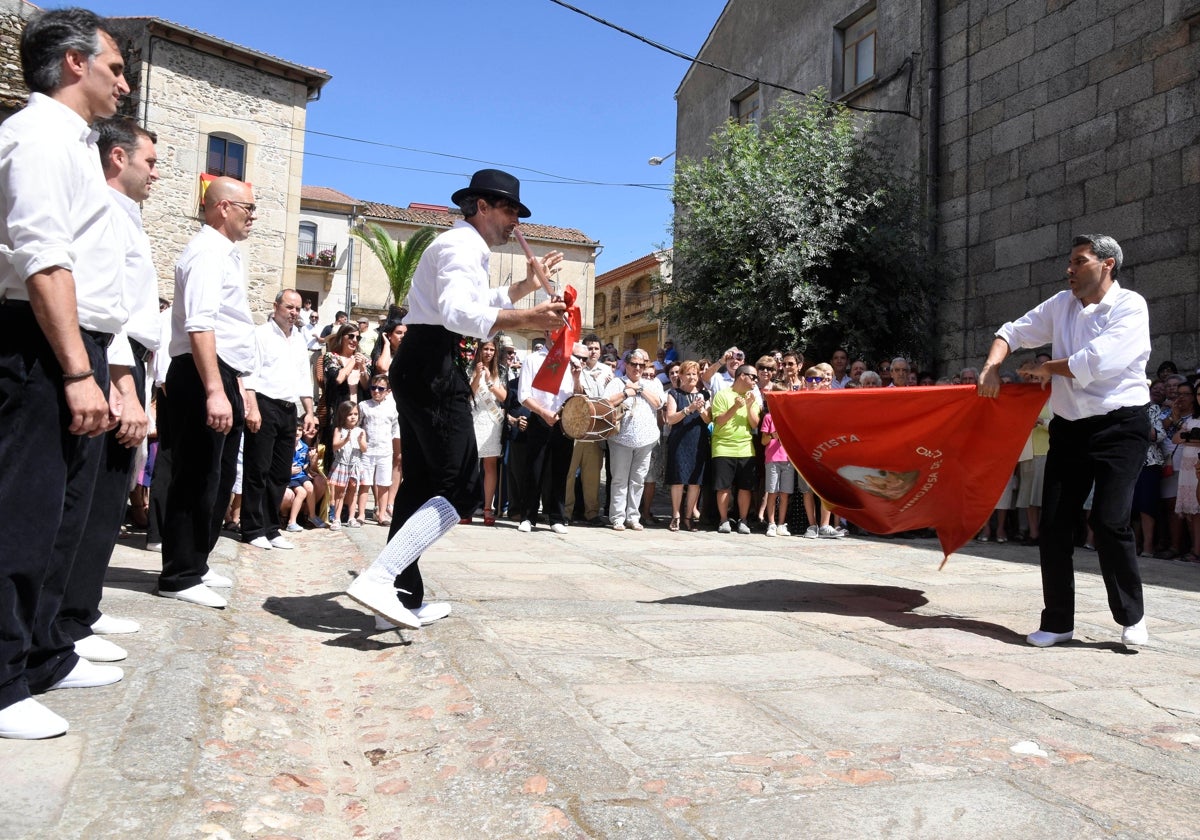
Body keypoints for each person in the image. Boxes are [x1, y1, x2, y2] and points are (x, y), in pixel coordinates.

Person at [345, 169, 566, 631]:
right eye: (509, 210)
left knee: (422, 484)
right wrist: (529, 316)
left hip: (426, 364)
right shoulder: (462, 247)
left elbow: (473, 300)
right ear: (481, 206)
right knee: (460, 485)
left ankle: (402, 593)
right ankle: (381, 577)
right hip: (431, 369)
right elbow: (459, 313)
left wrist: (525, 286)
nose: (515, 222)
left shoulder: (464, 247)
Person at [0, 8, 130, 739]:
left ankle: (42, 652)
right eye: (115, 66)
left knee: (57, 515)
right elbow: (42, 262)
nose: (125, 81)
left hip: (73, 339)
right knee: (20, 515)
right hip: (41, 338)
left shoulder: (72, 144)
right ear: (75, 64)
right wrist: (78, 371)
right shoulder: (39, 138)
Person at [978, 234, 1151, 647]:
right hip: (1071, 428)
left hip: (1121, 426)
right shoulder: (1061, 305)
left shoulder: (1131, 306)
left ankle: (1132, 617)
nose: (1069, 270)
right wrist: (991, 366)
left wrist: (1044, 368)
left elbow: (1099, 362)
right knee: (1054, 525)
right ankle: (1057, 622)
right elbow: (1012, 331)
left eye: (1079, 261)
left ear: (1107, 264)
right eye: (1069, 262)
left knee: (1109, 521)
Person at [57, 115, 159, 666]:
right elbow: (109, 307)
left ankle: (80, 610)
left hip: (126, 360)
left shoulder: (125, 214)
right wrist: (123, 384)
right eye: (150, 161)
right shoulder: (102, 208)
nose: (156, 174)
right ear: (117, 158)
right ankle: (68, 617)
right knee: (92, 496)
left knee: (106, 493)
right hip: (111, 358)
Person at [158, 176, 260, 610]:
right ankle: (178, 574)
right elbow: (200, 324)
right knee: (195, 475)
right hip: (203, 374)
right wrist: (214, 390)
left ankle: (195, 562)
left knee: (215, 476)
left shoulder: (225, 254)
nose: (253, 216)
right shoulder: (205, 252)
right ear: (222, 208)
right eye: (248, 208)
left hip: (223, 373)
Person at [240, 289, 317, 551]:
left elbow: (302, 378)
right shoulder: (260, 335)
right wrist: (252, 408)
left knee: (280, 472)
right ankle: (251, 528)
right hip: (263, 404)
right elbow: (249, 374)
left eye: (297, 308)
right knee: (257, 469)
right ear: (276, 306)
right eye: (289, 307)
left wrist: (309, 411)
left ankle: (271, 528)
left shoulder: (298, 339)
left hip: (288, 410)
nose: (294, 313)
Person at [517, 332, 577, 533]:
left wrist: (577, 376)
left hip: (564, 423)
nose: (559, 336)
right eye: (554, 331)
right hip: (540, 419)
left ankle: (557, 518)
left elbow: (576, 395)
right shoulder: (532, 360)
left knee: (560, 471)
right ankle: (528, 517)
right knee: (534, 471)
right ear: (545, 333)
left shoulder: (570, 361)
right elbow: (524, 395)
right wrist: (543, 412)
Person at [603, 349, 664, 530]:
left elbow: (658, 403)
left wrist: (641, 389)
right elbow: (606, 402)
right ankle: (617, 517)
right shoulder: (616, 382)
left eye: (641, 365)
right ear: (626, 365)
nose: (637, 368)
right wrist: (627, 392)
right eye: (633, 364)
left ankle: (633, 516)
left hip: (645, 439)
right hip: (620, 439)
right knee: (620, 479)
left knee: (638, 479)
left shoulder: (651, 384)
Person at [565, 333, 612, 526]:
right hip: (574, 427)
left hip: (593, 430)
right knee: (568, 474)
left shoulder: (606, 371)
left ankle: (591, 513)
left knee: (592, 475)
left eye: (595, 349)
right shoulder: (571, 369)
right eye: (588, 350)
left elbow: (605, 400)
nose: (591, 353)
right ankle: (565, 512)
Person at [710, 365, 761, 533]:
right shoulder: (722, 395)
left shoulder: (751, 397)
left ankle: (743, 520)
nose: (755, 380)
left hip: (746, 448)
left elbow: (755, 424)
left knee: (745, 487)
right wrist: (735, 407)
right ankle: (724, 520)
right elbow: (719, 421)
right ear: (741, 376)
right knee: (723, 487)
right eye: (752, 377)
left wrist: (747, 405)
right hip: (723, 447)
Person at [664, 360, 711, 531]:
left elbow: (708, 419)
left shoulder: (705, 394)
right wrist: (688, 409)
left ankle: (689, 516)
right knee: (678, 480)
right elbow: (670, 419)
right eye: (688, 374)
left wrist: (700, 410)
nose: (691, 377)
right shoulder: (674, 393)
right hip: (680, 440)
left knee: (695, 481)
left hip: (698, 440)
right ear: (681, 376)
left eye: (694, 373)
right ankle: (676, 515)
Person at [471, 339, 507, 525]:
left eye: (492, 349)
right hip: (474, 418)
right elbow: (469, 393)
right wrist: (478, 376)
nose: (488, 352)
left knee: (490, 465)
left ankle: (487, 508)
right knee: (470, 466)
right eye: (485, 348)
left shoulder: (499, 371)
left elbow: (504, 397)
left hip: (493, 420)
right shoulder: (470, 368)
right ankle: (467, 507)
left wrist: (490, 381)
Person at [328, 400, 368, 529]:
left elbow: (364, 449)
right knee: (340, 492)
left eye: (356, 414)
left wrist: (360, 441)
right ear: (343, 415)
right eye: (350, 414)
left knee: (353, 491)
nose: (353, 417)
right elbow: (334, 446)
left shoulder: (360, 431)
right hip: (342, 464)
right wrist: (345, 440)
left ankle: (351, 517)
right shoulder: (339, 430)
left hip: (355, 465)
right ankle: (337, 518)